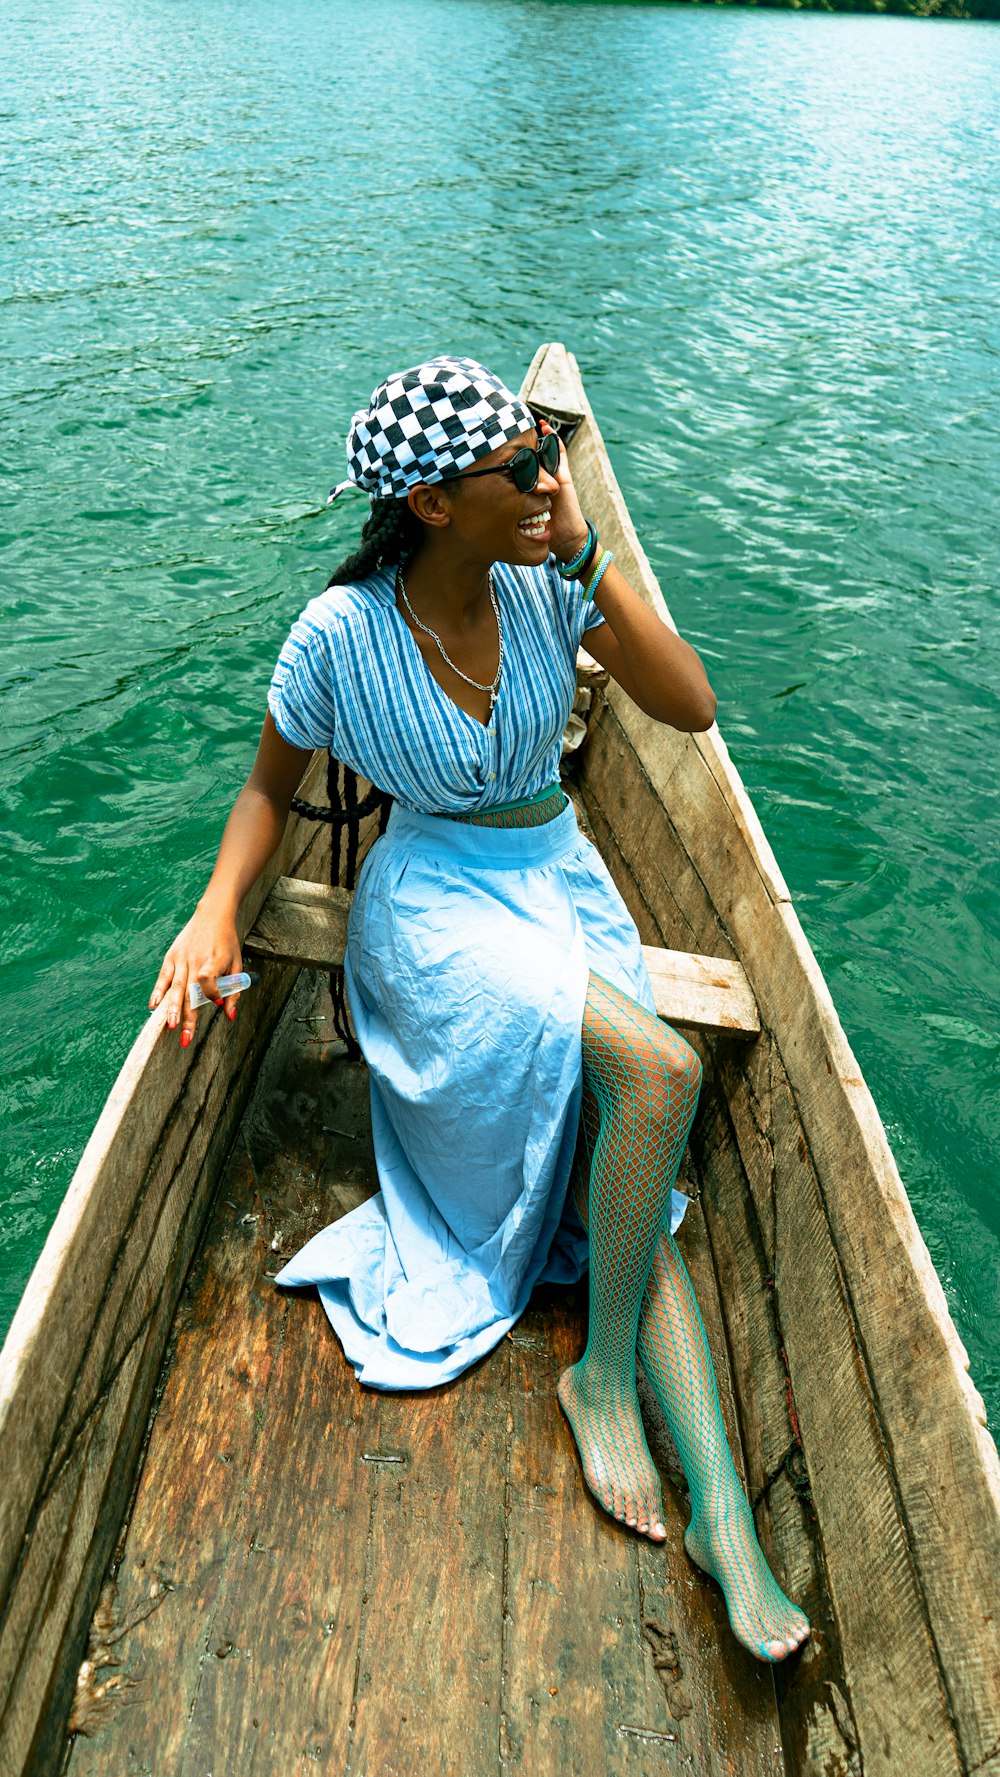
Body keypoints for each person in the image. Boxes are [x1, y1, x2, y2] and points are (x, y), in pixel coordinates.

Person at [150, 356, 810, 1663]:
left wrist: (588, 551)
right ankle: (599, 1379)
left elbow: (691, 704)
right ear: (433, 501)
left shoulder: (545, 583)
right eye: (522, 466)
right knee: (660, 1079)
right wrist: (221, 902)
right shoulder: (339, 635)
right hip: (433, 903)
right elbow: (269, 790)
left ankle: (728, 1518)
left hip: (558, 874)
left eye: (551, 456)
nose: (548, 478)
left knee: (627, 1186)